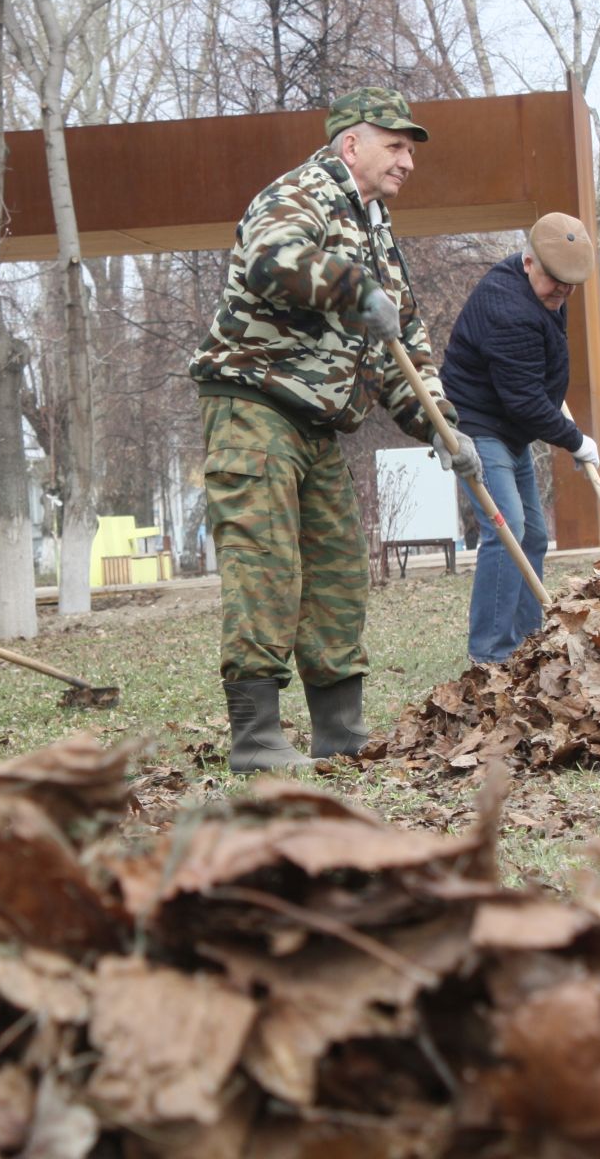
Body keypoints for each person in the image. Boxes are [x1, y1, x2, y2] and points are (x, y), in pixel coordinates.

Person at [189, 87, 480, 773]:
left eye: (412, 148)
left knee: (338, 574)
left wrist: (440, 425)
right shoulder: (300, 195)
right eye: (396, 145)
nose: (408, 160)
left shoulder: (375, 225)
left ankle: (339, 735)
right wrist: (355, 291)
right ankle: (257, 739)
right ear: (352, 143)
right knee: (266, 565)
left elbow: (403, 341)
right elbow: (272, 261)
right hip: (254, 402)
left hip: (319, 422)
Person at [438, 212, 599, 664]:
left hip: (511, 430)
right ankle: (489, 654)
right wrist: (574, 440)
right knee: (506, 530)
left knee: (533, 536)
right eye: (556, 282)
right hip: (481, 428)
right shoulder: (506, 308)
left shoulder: (544, 288)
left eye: (571, 285)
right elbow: (524, 401)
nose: (563, 293)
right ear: (528, 261)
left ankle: (531, 642)